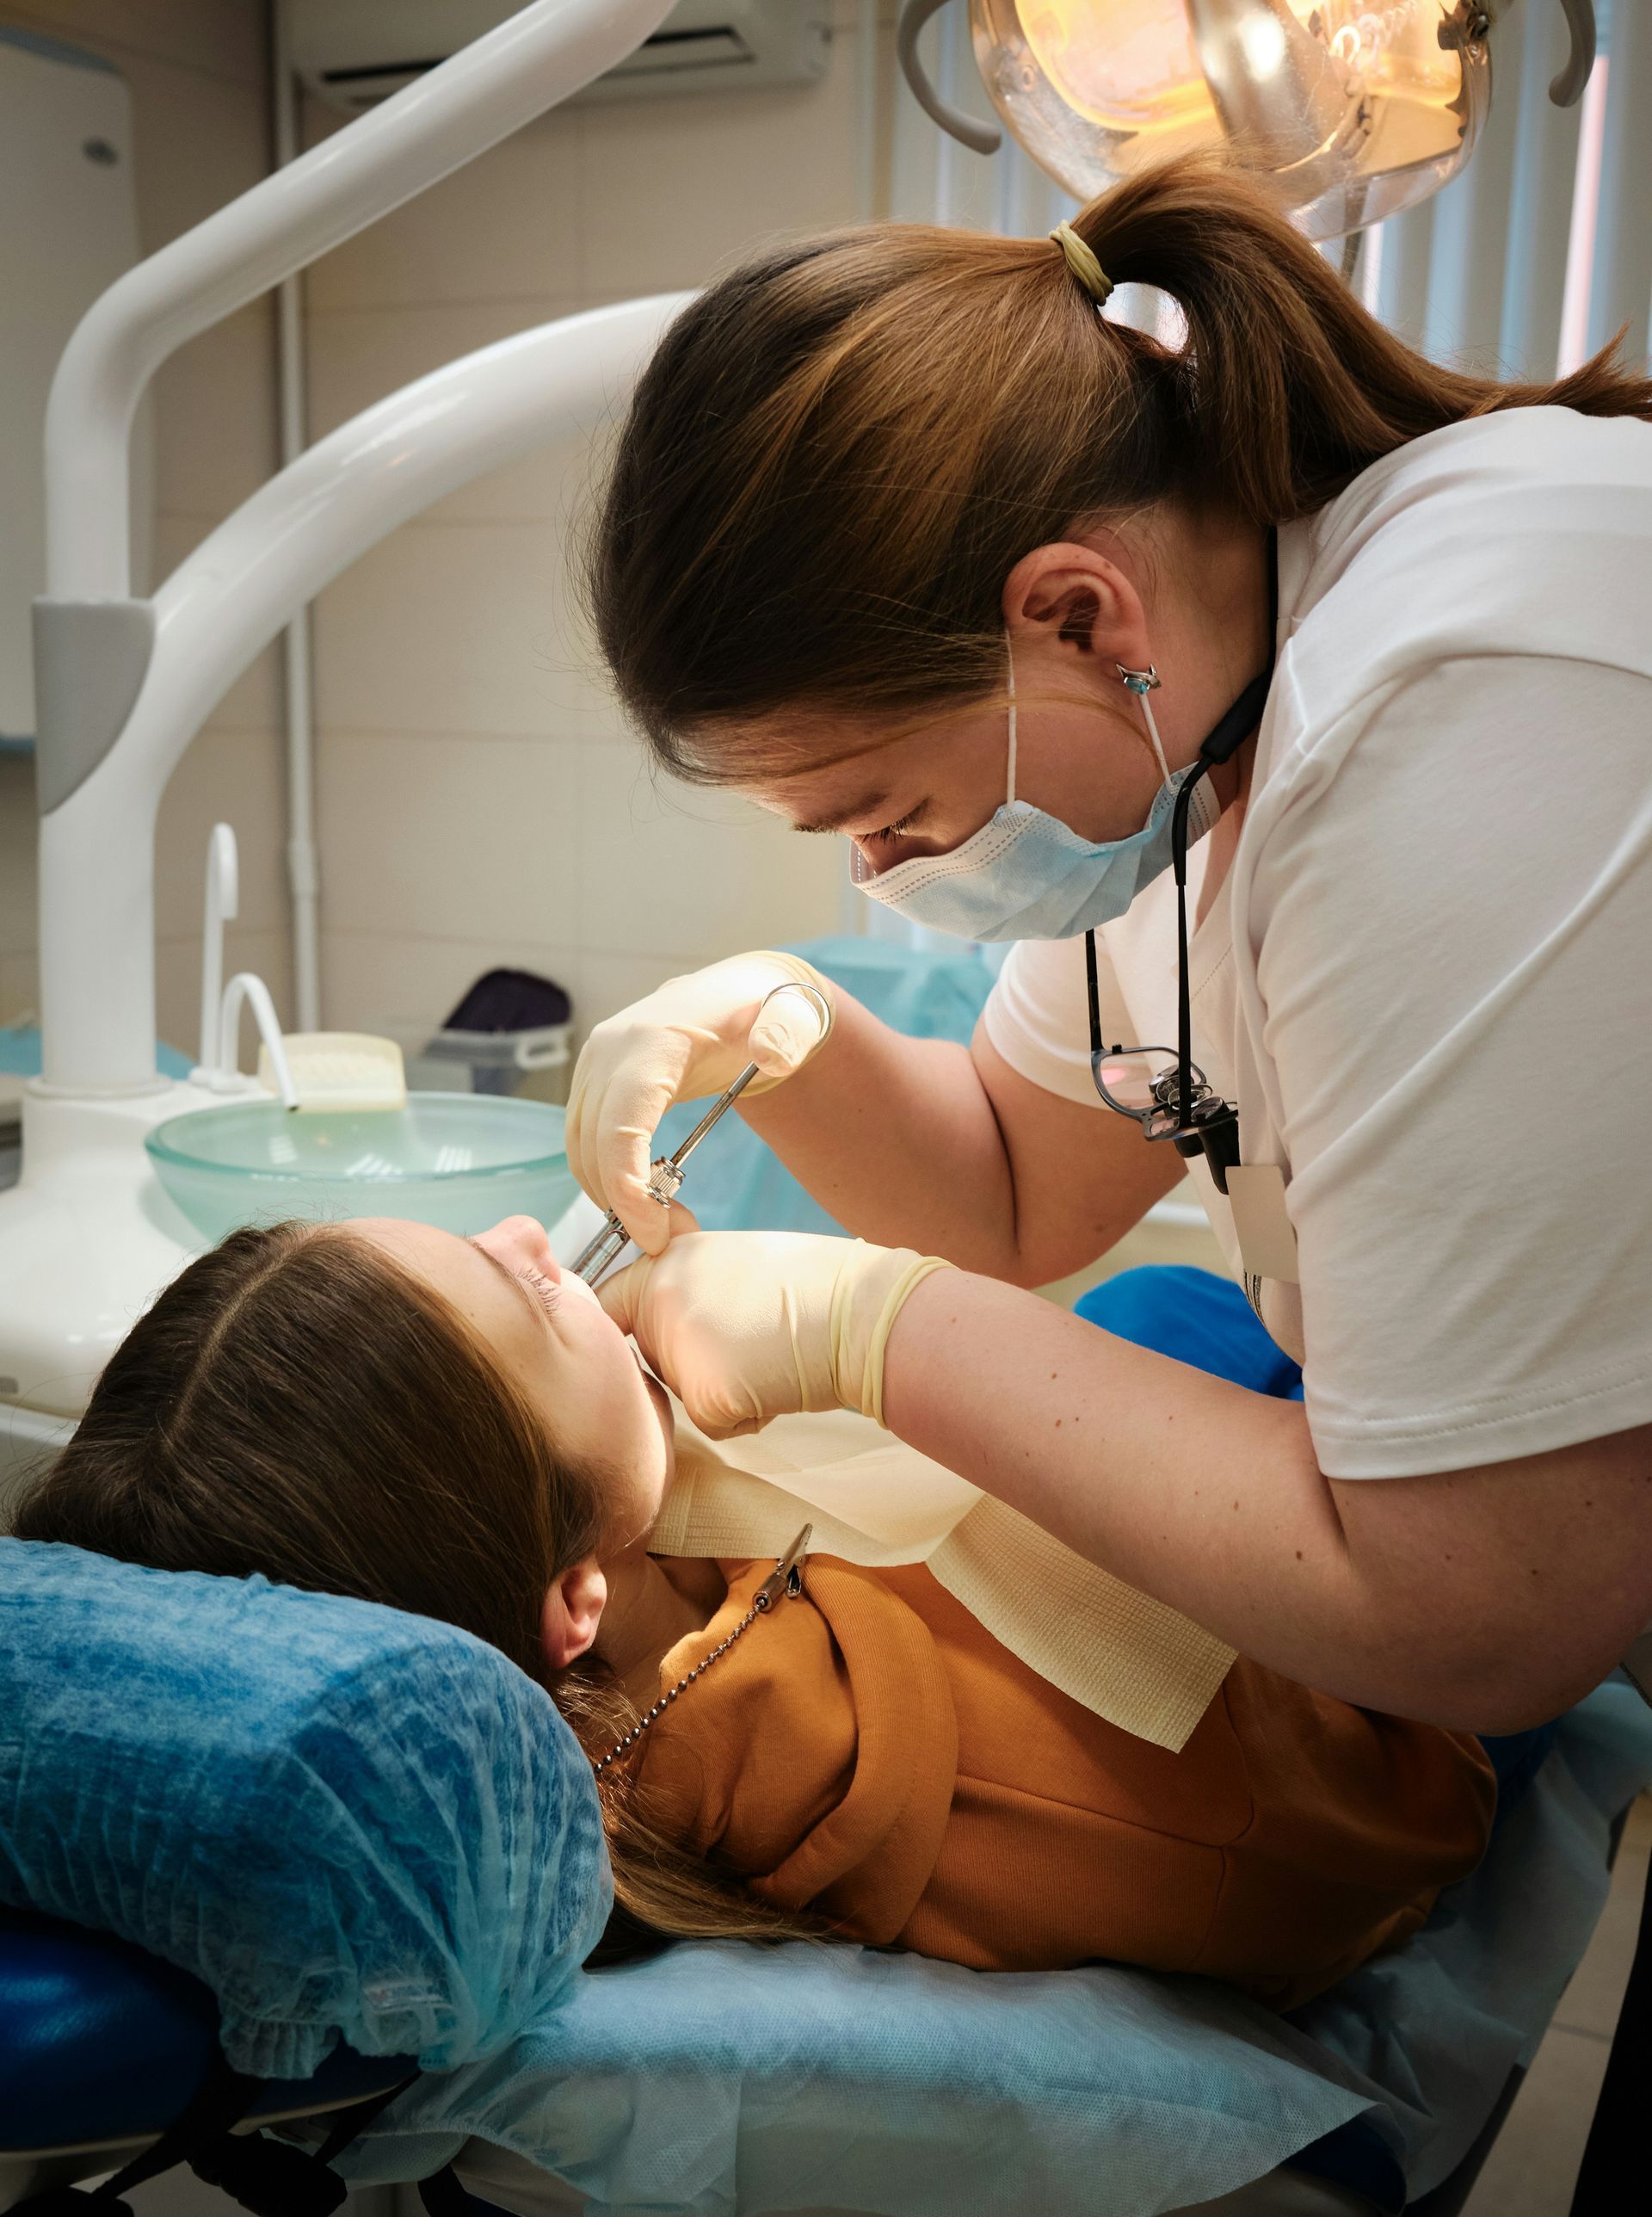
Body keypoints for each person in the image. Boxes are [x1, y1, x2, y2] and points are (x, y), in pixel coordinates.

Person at [570, 157, 1652, 1744]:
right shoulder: (1197, 706)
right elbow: (1014, 1183)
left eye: (889, 810)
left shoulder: (1460, 706)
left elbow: (1470, 1611)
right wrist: (783, 1030)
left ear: (1078, 620)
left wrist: (874, 1337)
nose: (884, 874)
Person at [15, 1213, 1494, 2002]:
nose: (547, 1237)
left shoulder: (628, 1591)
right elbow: (1410, 1806)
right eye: (523, 1296)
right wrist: (888, 1333)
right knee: (1193, 1321)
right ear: (572, 1598)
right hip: (1393, 1726)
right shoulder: (953, 1759)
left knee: (1155, 1318)